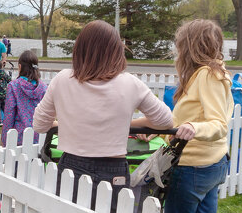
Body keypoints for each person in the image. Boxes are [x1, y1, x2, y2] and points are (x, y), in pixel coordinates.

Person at [32, 20, 173, 195]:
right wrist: (130, 123)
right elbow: (166, 120)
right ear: (116, 51)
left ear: (80, 49)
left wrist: (68, 123)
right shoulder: (130, 83)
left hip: (71, 164)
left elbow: (39, 125)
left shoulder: (62, 80)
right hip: (113, 170)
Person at [166, 19, 232, 213]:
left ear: (190, 46)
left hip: (193, 167)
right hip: (210, 165)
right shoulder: (208, 74)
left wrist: (194, 128)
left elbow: (218, 124)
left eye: (180, 43)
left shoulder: (207, 75)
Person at [2, 51, 46, 141]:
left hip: (19, 135)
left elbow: (9, 113)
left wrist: (5, 137)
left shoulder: (14, 86)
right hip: (39, 134)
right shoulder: (43, 87)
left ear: (20, 66)